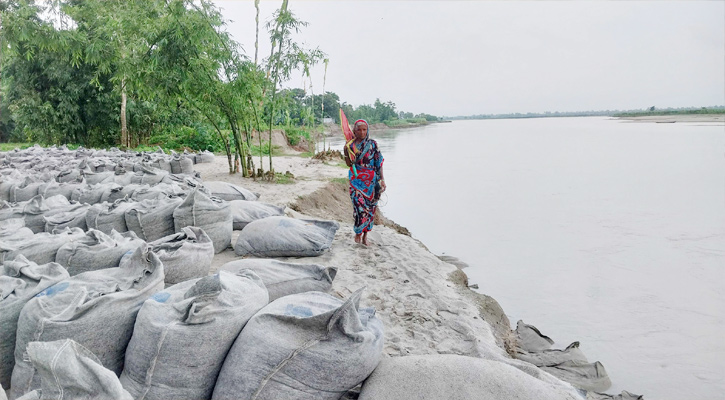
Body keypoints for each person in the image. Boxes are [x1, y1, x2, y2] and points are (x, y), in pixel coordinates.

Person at [343, 119, 386, 245]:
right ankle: (358, 233)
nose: (362, 132)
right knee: (359, 208)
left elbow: (379, 163)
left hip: (371, 182)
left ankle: (365, 236)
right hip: (356, 181)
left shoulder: (373, 144)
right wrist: (346, 151)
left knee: (370, 209)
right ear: (354, 131)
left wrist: (382, 180)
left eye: (364, 129)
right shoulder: (350, 145)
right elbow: (349, 164)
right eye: (359, 130)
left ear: (367, 130)